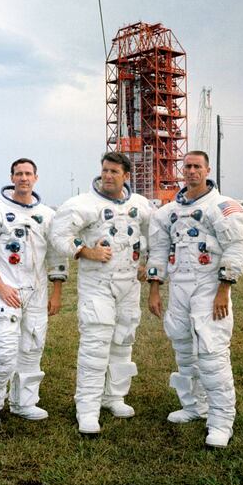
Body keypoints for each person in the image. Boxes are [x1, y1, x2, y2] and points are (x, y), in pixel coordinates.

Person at [147, 150, 243, 448]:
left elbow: (236, 249)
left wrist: (224, 289)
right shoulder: (167, 213)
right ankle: (194, 406)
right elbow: (158, 250)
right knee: (183, 348)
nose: (191, 171)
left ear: (207, 170)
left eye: (196, 167)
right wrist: (154, 288)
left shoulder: (223, 207)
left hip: (208, 287)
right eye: (187, 166)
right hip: (180, 287)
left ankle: (220, 421)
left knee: (211, 352)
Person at [51, 152, 153, 434]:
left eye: (114, 172)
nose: (108, 176)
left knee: (123, 341)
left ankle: (114, 397)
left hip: (129, 284)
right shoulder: (84, 204)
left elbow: (156, 234)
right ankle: (87, 410)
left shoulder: (140, 204)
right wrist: (86, 251)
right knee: (96, 344)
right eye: (105, 170)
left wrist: (148, 264)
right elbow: (57, 234)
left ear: (126, 176)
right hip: (98, 283)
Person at [0, 158, 68, 431]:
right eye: (19, 174)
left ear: (36, 177)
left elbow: (57, 255)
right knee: (2, 352)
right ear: (12, 177)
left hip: (36, 293)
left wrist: (56, 293)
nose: (23, 178)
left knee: (31, 349)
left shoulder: (47, 215)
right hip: (6, 291)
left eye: (28, 174)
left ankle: (23, 402)